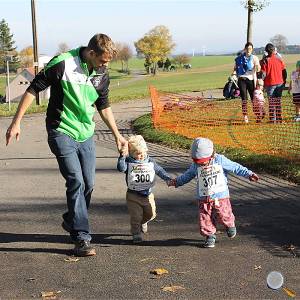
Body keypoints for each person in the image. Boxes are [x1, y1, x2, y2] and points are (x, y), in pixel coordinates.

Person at [5, 33, 127, 257]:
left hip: (86, 133)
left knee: (88, 184)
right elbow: (33, 89)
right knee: (76, 180)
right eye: (102, 60)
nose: (104, 65)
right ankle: (81, 238)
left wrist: (118, 135)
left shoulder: (102, 73)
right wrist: (16, 122)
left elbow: (103, 104)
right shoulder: (62, 64)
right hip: (60, 130)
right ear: (91, 53)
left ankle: (71, 219)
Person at [169, 137, 259, 248]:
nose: (201, 165)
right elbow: (187, 175)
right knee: (205, 218)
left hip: (221, 196)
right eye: (197, 162)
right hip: (204, 198)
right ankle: (210, 236)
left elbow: (235, 167)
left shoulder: (220, 160)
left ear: (211, 155)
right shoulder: (196, 166)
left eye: (202, 162)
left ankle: (229, 224)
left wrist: (248, 174)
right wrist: (177, 182)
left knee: (224, 215)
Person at [117, 135, 172, 244]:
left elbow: (159, 170)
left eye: (143, 152)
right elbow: (121, 168)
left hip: (148, 195)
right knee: (136, 216)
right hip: (133, 195)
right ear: (131, 153)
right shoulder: (128, 162)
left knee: (151, 214)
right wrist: (122, 156)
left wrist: (167, 178)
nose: (141, 155)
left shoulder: (150, 161)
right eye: (137, 153)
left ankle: (143, 222)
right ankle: (136, 233)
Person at [234, 42, 261, 123]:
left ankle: (257, 115)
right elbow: (235, 68)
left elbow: (258, 68)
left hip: (251, 79)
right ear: (245, 49)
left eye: (250, 49)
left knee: (254, 99)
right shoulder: (239, 58)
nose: (249, 50)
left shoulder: (254, 58)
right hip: (242, 79)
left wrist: (257, 67)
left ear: (252, 49)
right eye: (247, 48)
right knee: (244, 99)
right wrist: (234, 74)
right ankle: (245, 116)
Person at [260, 43, 287, 123]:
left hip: (270, 84)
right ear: (273, 50)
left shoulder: (265, 61)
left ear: (266, 51)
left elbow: (263, 74)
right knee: (278, 102)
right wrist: (284, 80)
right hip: (280, 83)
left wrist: (261, 83)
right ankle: (279, 119)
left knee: (271, 102)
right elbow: (284, 71)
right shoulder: (279, 59)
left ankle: (273, 119)